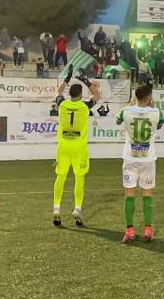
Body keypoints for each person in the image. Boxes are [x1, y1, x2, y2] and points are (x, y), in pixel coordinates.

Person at [52, 65, 101, 227]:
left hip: (63, 147)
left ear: (70, 94)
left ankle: (57, 209)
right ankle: (77, 209)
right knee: (79, 178)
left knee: (60, 177)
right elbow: (97, 94)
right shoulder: (84, 107)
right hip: (79, 148)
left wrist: (67, 78)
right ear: (80, 95)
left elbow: (58, 92)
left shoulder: (63, 105)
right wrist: (85, 80)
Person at [116, 85, 164, 243]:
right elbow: (159, 125)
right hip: (148, 159)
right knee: (147, 195)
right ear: (149, 98)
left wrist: (131, 105)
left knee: (129, 194)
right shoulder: (157, 112)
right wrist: (152, 107)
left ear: (135, 96)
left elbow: (117, 121)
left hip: (130, 158)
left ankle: (129, 230)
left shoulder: (125, 111)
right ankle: (148, 230)